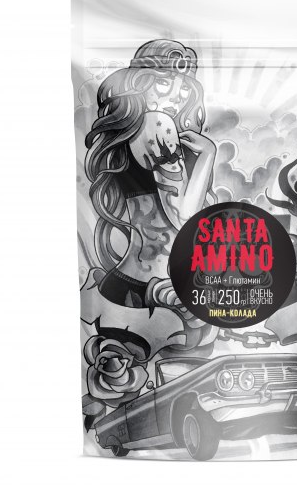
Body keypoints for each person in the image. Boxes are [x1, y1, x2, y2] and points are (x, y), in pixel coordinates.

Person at [85, 39, 217, 310]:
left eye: (184, 87)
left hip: (134, 285)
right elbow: (185, 217)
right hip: (154, 292)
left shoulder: (131, 131)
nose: (178, 96)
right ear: (140, 83)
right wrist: (207, 154)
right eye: (165, 83)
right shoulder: (158, 123)